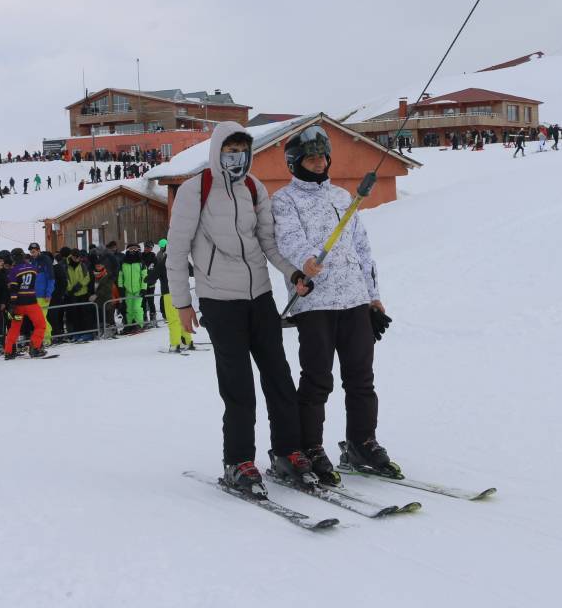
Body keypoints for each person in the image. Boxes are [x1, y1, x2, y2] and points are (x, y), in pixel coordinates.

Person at [166, 120, 317, 496]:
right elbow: (176, 250)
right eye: (230, 151)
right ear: (218, 152)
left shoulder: (254, 188)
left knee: (279, 379)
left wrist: (293, 271)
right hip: (219, 301)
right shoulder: (194, 190)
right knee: (238, 387)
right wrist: (182, 303)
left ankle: (287, 453)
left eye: (242, 151)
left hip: (260, 297)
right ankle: (238, 462)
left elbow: (269, 242)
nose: (237, 158)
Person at [271, 125, 397, 485]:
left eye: (323, 156)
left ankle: (362, 441)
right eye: (311, 157)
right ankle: (309, 447)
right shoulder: (284, 200)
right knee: (317, 379)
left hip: (354, 300)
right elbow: (288, 238)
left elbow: (362, 249)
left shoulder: (344, 197)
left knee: (361, 378)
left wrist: (372, 294)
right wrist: (306, 259)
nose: (319, 162)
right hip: (315, 303)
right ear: (295, 162)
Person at [4, 248, 48, 359]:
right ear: (23, 256)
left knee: (15, 327)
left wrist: (12, 304)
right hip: (32, 304)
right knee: (41, 325)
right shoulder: (33, 268)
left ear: (13, 258)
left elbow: (13, 289)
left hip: (19, 305)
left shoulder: (13, 271)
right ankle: (35, 348)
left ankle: (9, 351)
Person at [156, 238, 193, 352]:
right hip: (182, 292)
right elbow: (192, 272)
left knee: (173, 319)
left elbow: (153, 275)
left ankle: (175, 344)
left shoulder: (165, 261)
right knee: (184, 318)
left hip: (169, 293)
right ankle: (188, 341)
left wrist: (148, 278)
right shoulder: (183, 259)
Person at [27, 242, 55, 346]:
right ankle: (46, 335)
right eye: (31, 251)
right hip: (35, 295)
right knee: (40, 319)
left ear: (38, 250)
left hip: (43, 296)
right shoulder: (33, 261)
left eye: (34, 251)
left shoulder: (45, 260)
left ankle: (47, 339)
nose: (32, 253)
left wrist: (48, 293)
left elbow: (51, 278)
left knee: (41, 319)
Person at [64, 248, 94, 341]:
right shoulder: (67, 266)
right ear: (72, 256)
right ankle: (77, 333)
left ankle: (87, 333)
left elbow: (87, 277)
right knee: (75, 315)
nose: (77, 259)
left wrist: (80, 285)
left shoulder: (83, 265)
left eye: (78, 257)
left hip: (83, 293)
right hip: (73, 294)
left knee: (85, 315)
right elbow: (66, 279)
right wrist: (70, 289)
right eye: (75, 257)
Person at [117, 242, 147, 333]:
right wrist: (121, 288)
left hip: (138, 289)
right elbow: (120, 276)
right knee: (129, 309)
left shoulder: (141, 263)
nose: (132, 251)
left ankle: (140, 324)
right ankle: (129, 325)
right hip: (128, 290)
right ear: (127, 251)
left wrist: (143, 288)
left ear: (138, 251)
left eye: (135, 249)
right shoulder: (123, 263)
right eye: (130, 249)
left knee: (137, 308)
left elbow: (144, 277)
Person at [141, 241, 159, 325]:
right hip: (142, 283)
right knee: (143, 301)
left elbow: (157, 270)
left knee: (151, 301)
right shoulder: (140, 256)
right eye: (145, 247)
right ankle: (144, 317)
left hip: (151, 283)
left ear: (151, 248)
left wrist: (154, 278)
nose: (146, 249)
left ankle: (153, 317)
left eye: (148, 248)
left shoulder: (154, 258)